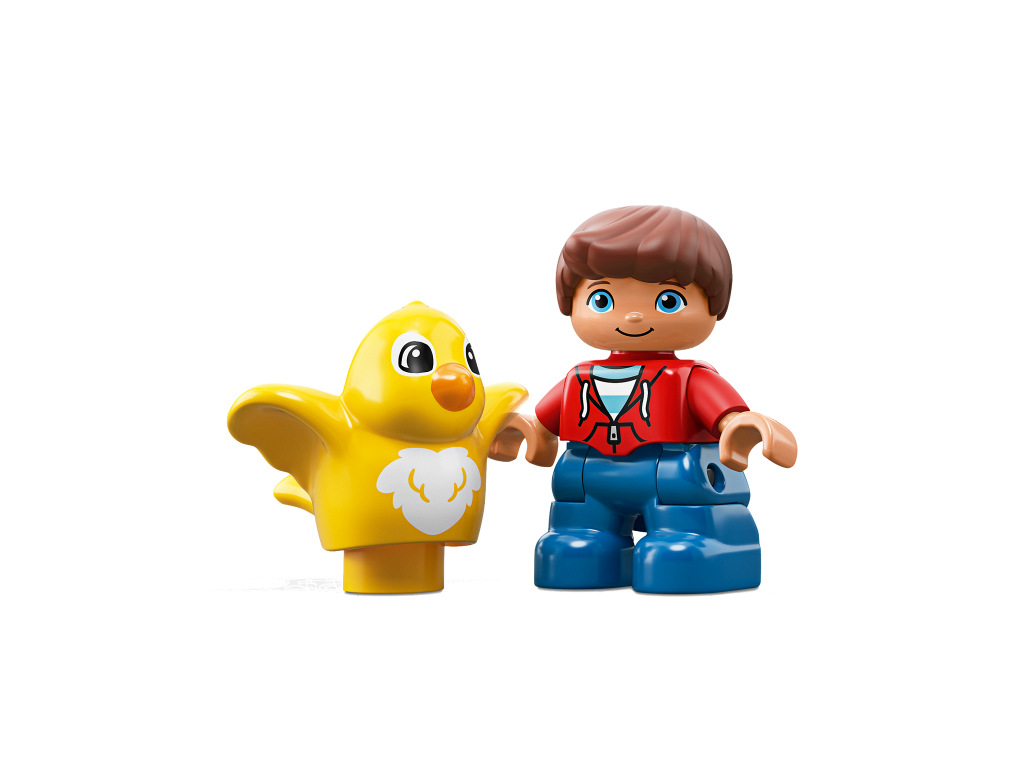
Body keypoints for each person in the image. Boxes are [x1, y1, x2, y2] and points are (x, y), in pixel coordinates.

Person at [495, 205, 797, 593]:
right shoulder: (578, 378)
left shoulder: (691, 378)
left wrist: (741, 425)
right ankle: (587, 539)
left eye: (668, 300)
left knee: (678, 541)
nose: (634, 317)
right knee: (574, 542)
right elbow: (546, 422)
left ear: (714, 306)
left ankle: (695, 543)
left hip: (674, 476)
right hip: (589, 476)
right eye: (602, 299)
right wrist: (529, 432)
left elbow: (728, 416)